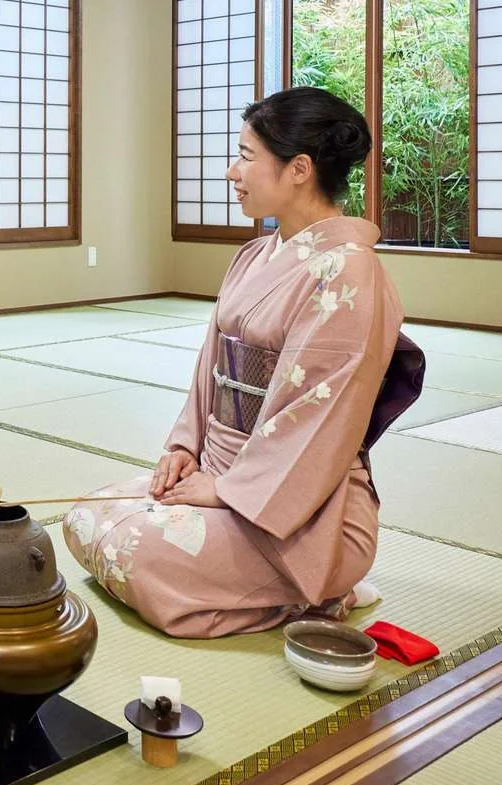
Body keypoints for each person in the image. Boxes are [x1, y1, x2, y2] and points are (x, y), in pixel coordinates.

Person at [63, 87, 424, 638]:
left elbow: (321, 418)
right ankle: (279, 588)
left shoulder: (349, 275)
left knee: (138, 552)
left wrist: (230, 491)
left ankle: (320, 588)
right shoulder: (256, 255)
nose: (234, 172)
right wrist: (186, 450)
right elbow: (210, 369)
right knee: (87, 517)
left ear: (299, 168)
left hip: (303, 514)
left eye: (247, 156)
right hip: (221, 476)